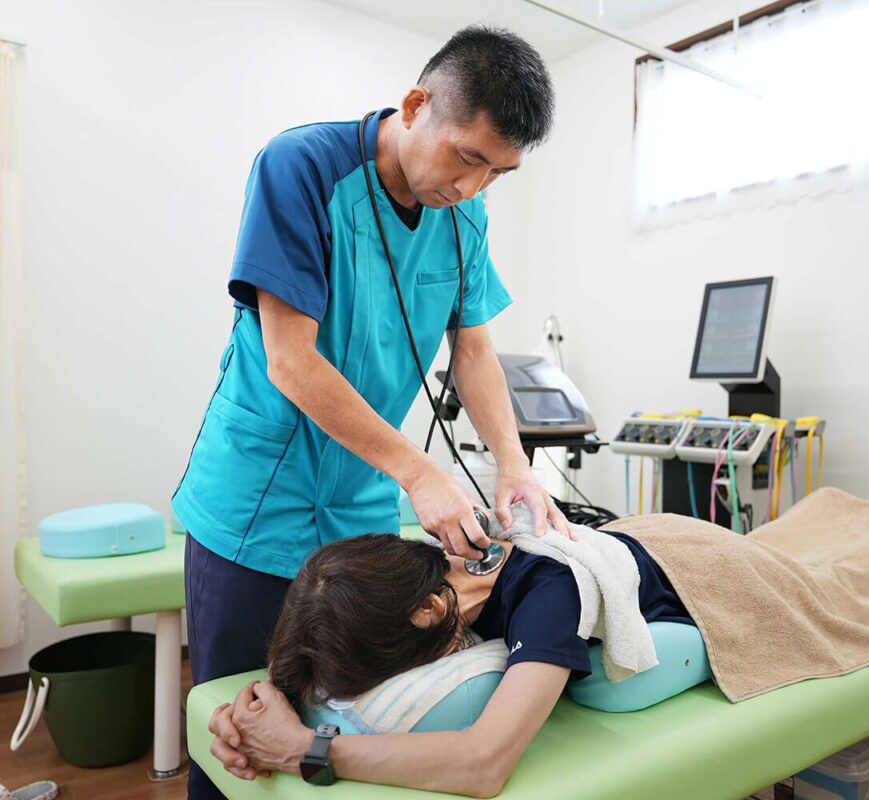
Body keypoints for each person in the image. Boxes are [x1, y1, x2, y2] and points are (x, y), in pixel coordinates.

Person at [170, 26, 570, 799]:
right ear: (416, 105)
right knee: (235, 742)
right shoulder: (302, 167)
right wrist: (421, 474)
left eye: (498, 172)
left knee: (346, 722)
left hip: (360, 510)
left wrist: (515, 465)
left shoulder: (465, 220)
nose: (474, 187)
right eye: (466, 157)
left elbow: (475, 352)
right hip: (257, 500)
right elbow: (291, 358)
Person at [208, 523, 698, 797]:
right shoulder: (403, 574)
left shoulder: (548, 596)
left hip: (690, 569)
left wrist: (302, 750)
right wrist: (248, 716)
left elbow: (484, 764)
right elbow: (313, 641)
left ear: (431, 612)